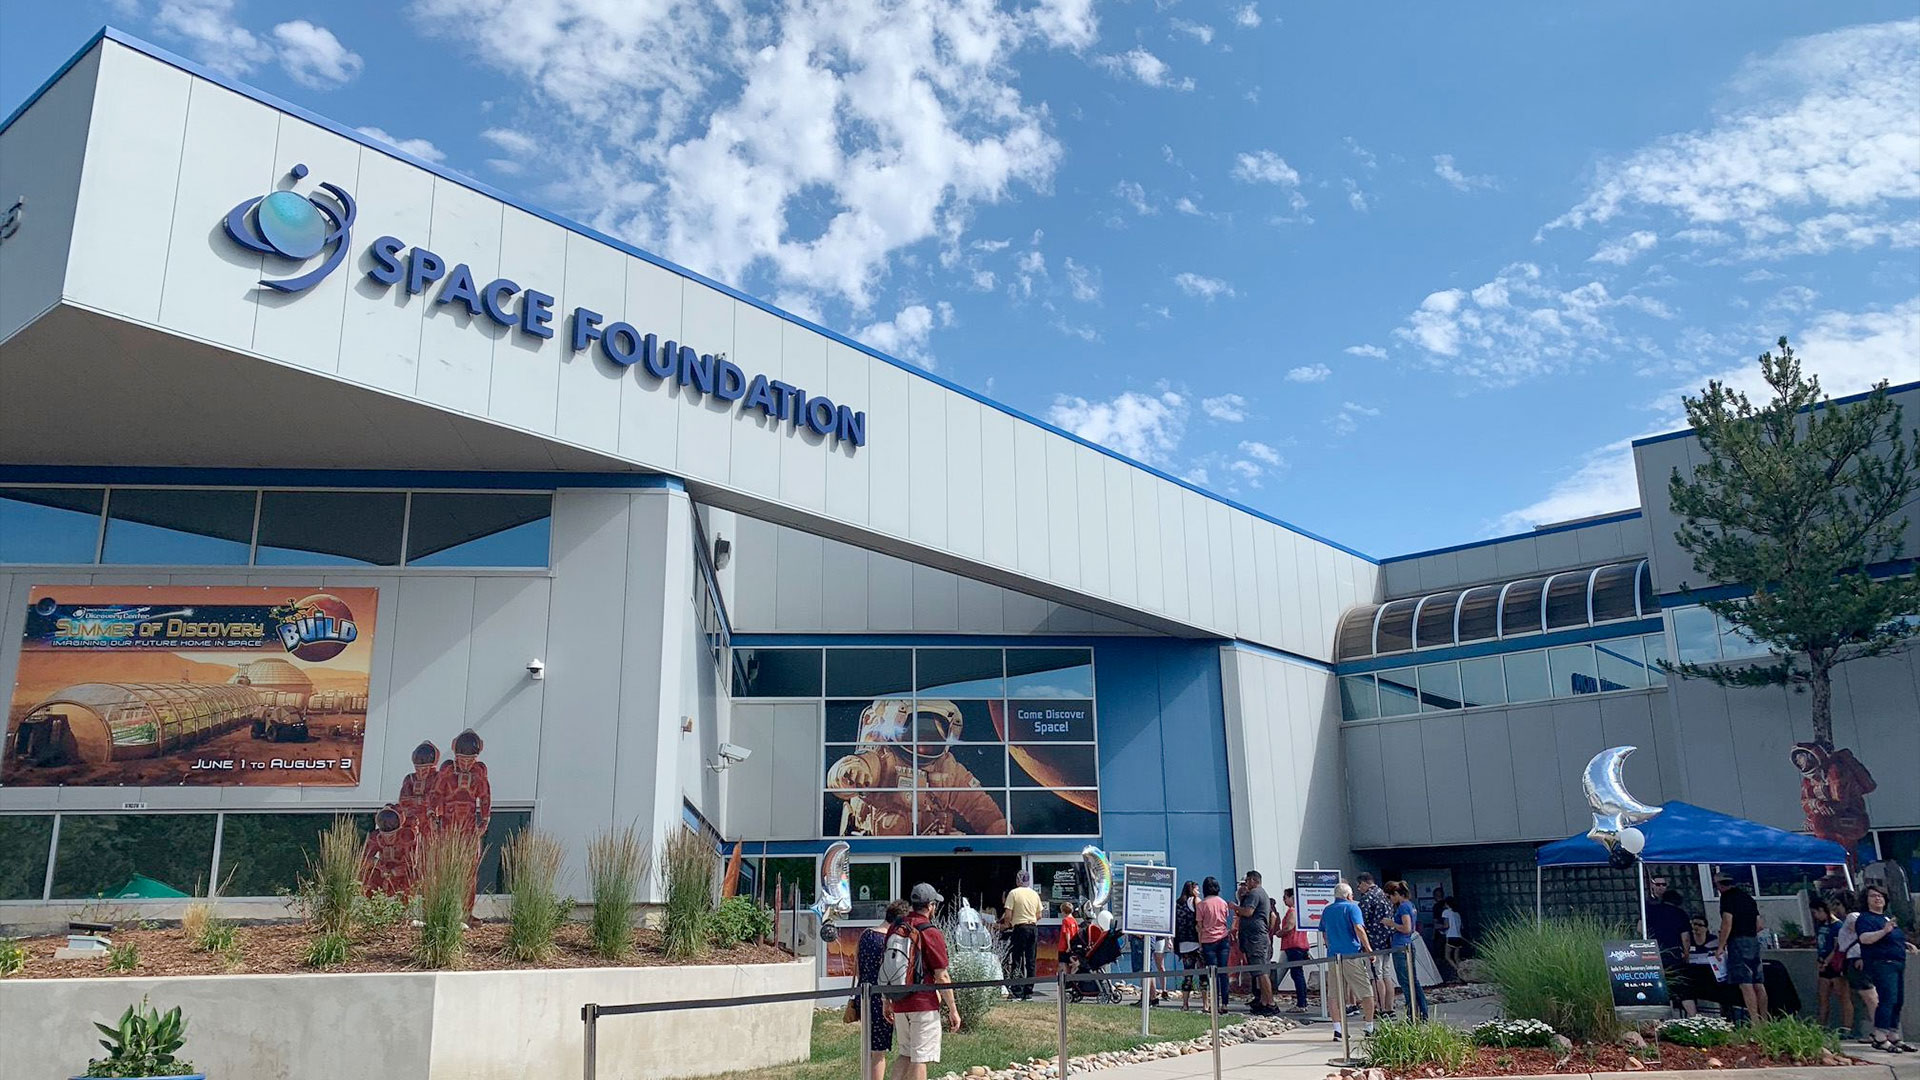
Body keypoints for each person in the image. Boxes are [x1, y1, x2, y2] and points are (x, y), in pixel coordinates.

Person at [884, 883, 960, 1080]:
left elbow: (888, 964)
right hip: (923, 1003)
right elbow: (941, 975)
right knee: (920, 1058)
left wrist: (887, 1000)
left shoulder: (896, 927)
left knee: (905, 1054)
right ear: (931, 905)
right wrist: (953, 1009)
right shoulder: (930, 931)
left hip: (899, 1000)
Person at [1856, 884, 1918, 1053]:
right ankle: (1880, 1035)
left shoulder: (1886, 918)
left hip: (1898, 962)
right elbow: (1865, 938)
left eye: (1881, 896)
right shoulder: (1865, 919)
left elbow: (1891, 938)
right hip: (1882, 964)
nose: (1878, 899)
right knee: (1887, 998)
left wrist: (1905, 944)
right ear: (1866, 900)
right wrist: (1884, 931)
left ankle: (1893, 1034)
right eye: (1873, 896)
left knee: (1898, 1000)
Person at [857, 900, 911, 1080]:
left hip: (863, 996)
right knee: (880, 1052)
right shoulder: (889, 942)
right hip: (881, 997)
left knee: (869, 1049)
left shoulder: (865, 935)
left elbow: (857, 968)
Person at [1320, 882, 1376, 1041]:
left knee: (1334, 993)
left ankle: (1338, 1030)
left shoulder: (1327, 910)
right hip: (1351, 954)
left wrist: (1330, 946)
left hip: (1333, 955)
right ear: (1349, 895)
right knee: (1366, 990)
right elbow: (1359, 928)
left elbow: (1324, 933)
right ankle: (1369, 1026)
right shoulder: (1352, 908)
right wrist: (1369, 949)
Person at [1715, 873, 1768, 1021]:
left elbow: (1727, 922)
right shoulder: (1748, 898)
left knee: (1745, 982)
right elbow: (1760, 925)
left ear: (1719, 885)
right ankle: (1764, 1019)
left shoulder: (1727, 898)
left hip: (1738, 942)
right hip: (1753, 940)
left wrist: (1721, 945)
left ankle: (1754, 1021)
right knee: (1758, 982)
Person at [1386, 881, 1430, 1020]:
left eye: (1390, 897)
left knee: (1405, 981)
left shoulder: (1404, 907)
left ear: (1397, 894)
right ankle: (1422, 1011)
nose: (1390, 900)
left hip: (1401, 946)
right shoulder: (1410, 905)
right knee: (1413, 980)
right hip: (1407, 945)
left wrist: (1392, 924)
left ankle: (1412, 1013)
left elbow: (1407, 928)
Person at [1647, 891, 1695, 1015]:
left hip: (1654, 953)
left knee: (1661, 988)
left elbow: (1640, 928)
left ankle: (1664, 1021)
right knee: (1683, 988)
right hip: (1674, 954)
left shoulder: (1652, 911)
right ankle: (1694, 1018)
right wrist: (1686, 954)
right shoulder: (1680, 914)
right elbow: (1685, 937)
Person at [1237, 870, 1278, 1016]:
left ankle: (1270, 1003)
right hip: (1256, 937)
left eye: (1247, 881)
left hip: (1256, 939)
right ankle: (1263, 1001)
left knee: (1262, 972)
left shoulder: (1255, 893)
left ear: (1254, 880)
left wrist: (1234, 907)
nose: (1246, 884)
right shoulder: (1261, 894)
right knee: (1259, 972)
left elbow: (1248, 912)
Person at [1355, 873, 1396, 1015]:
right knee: (1386, 974)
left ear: (1365, 883)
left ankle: (1380, 1007)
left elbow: (1361, 921)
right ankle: (1390, 1007)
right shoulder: (1385, 895)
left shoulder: (1367, 898)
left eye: (1359, 885)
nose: (1358, 888)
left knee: (1375, 975)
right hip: (1387, 941)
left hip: (1373, 942)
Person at [1812, 897, 1853, 1036]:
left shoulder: (1838, 926)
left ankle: (1846, 1027)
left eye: (1816, 913)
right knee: (1822, 997)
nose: (1815, 916)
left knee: (1843, 996)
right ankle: (1821, 1025)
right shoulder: (1821, 926)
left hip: (1835, 965)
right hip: (1823, 963)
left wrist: (1827, 961)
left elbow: (1838, 946)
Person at [1002, 871, 1041, 1001]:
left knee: (1017, 959)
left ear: (1018, 880)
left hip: (1019, 927)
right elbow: (1039, 915)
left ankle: (1017, 990)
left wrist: (1008, 925)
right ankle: (1029, 991)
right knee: (1031, 960)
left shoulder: (1013, 893)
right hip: (1032, 927)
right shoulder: (1034, 894)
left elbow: (1008, 914)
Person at [1196, 877, 1233, 1010]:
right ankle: (1225, 1003)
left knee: (1212, 973)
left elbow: (1199, 926)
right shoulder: (1223, 903)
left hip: (1208, 940)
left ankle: (1214, 1003)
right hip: (1223, 938)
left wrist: (1200, 944)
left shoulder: (1201, 905)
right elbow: (1225, 919)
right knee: (1223, 972)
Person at [1278, 887, 1311, 1013]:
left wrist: (1280, 932)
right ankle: (1302, 1001)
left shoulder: (1292, 911)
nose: (1284, 900)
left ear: (1292, 898)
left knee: (1297, 974)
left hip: (1294, 945)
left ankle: (1302, 1003)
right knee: (1297, 974)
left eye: (1285, 897)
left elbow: (1289, 926)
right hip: (1301, 944)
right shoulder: (1302, 910)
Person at [1682, 912, 1722, 1016]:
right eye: (1693, 924)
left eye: (1699, 925)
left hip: (1709, 973)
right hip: (1692, 973)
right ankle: (1693, 1016)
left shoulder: (1713, 940)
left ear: (1706, 928)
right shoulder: (1687, 940)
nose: (1696, 927)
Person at [1174, 881, 1204, 1011]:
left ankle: (1185, 1004)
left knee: (1187, 975)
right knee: (1202, 974)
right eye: (1197, 890)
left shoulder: (1178, 903)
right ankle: (1206, 1004)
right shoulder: (1195, 901)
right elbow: (1199, 922)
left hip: (1182, 943)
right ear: (1192, 890)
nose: (1199, 892)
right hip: (1195, 942)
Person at [1441, 899, 1465, 976]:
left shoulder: (1446, 912)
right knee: (1457, 958)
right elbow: (1461, 926)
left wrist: (1440, 928)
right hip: (1459, 936)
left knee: (1447, 957)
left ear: (1447, 904)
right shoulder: (1457, 914)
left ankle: (1458, 971)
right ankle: (1463, 971)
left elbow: (1446, 925)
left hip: (1451, 936)